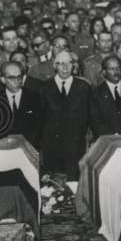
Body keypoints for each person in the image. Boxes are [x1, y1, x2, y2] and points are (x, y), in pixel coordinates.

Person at [39, 50, 91, 180]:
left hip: (75, 145)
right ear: (54, 66)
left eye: (69, 63)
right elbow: (40, 119)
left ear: (74, 65)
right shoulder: (44, 88)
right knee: (52, 184)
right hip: (51, 145)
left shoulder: (84, 87)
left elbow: (89, 115)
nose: (65, 67)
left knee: (74, 182)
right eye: (60, 63)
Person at [0, 59, 43, 148]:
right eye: (12, 78)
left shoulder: (35, 98)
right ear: (3, 79)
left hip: (30, 148)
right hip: (3, 149)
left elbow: (39, 128)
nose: (16, 81)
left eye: (19, 77)